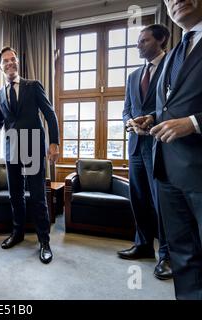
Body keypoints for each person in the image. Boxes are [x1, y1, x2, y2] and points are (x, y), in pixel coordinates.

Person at [130, 0, 202, 299]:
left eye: (144, 39)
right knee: (185, 258)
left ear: (159, 38)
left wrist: (195, 123)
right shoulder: (175, 55)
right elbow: (170, 106)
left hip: (197, 169)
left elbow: (189, 114)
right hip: (167, 169)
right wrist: (153, 119)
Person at [0, 47, 60, 264]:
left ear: (18, 62)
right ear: (0, 67)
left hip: (35, 148)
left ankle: (44, 241)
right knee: (15, 195)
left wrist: (53, 142)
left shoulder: (33, 86)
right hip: (12, 151)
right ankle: (17, 234)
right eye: (5, 61)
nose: (10, 63)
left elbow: (49, 113)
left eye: (13, 59)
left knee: (37, 197)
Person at [118, 24, 172, 281]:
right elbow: (126, 109)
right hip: (136, 147)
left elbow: (176, 105)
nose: (138, 45)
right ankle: (142, 246)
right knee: (138, 198)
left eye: (144, 40)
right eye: (138, 41)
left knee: (161, 202)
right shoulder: (132, 76)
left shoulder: (172, 66)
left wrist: (152, 118)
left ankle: (167, 255)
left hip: (162, 145)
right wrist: (130, 122)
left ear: (161, 40)